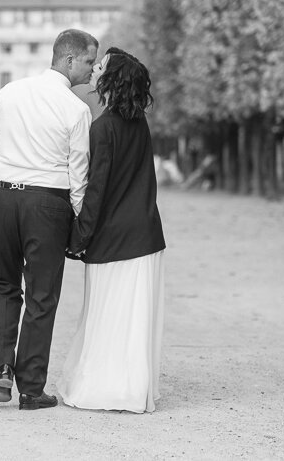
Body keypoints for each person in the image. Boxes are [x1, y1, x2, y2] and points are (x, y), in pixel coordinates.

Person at [0, 29, 97, 410]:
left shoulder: (9, 93)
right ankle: (31, 388)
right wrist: (81, 222)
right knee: (42, 296)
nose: (93, 69)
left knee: (4, 285)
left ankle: (3, 368)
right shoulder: (77, 110)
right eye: (88, 61)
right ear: (68, 60)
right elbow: (78, 174)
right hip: (47, 203)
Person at [61, 47, 166, 413]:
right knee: (135, 319)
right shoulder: (139, 123)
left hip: (114, 237)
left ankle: (106, 388)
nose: (95, 69)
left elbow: (97, 190)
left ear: (110, 78)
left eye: (100, 66)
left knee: (107, 316)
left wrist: (78, 238)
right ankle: (135, 389)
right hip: (147, 234)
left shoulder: (102, 127)